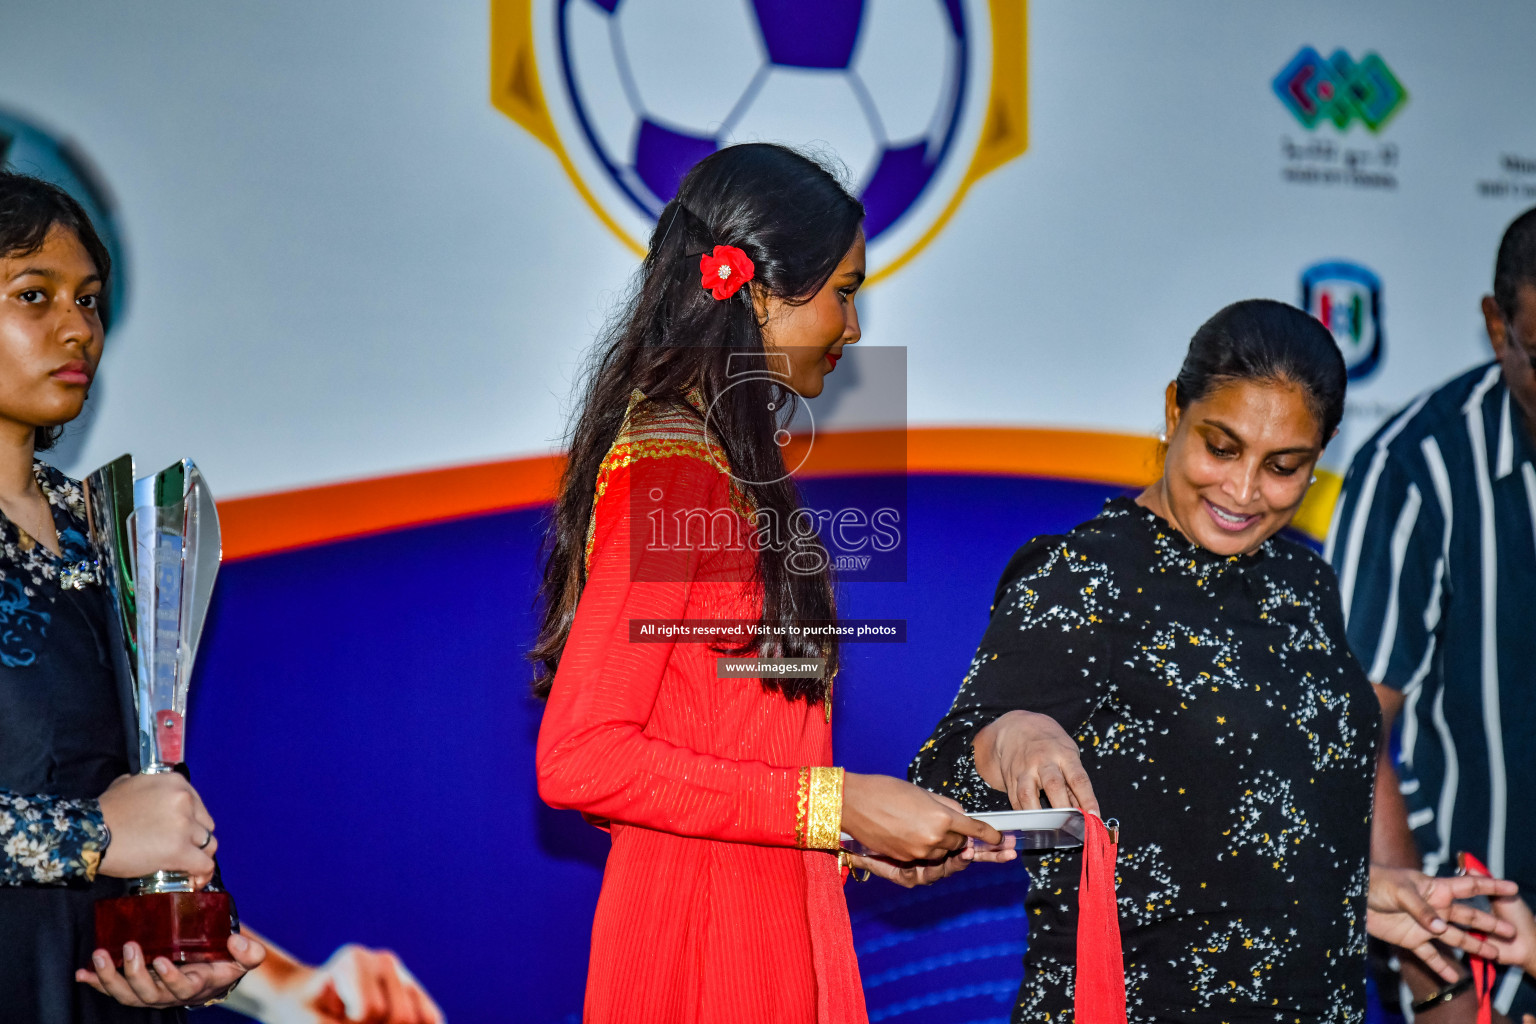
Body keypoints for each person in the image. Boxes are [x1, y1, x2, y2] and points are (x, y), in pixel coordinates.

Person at [910, 299, 1518, 1023]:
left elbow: (1266, 837)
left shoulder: (1307, 584)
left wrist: (1375, 901)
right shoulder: (1083, 575)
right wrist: (1011, 735)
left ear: (1318, 458)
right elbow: (939, 779)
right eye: (1221, 447)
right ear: (1174, 410)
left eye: (1283, 466)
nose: (1242, 490)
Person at [533, 143, 1010, 1024]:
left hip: (755, 921)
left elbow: (722, 748)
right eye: (845, 291)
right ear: (758, 291)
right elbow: (580, 757)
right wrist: (834, 802)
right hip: (703, 954)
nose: (855, 328)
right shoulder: (673, 471)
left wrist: (851, 836)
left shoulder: (718, 463)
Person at [0, 171, 441, 1024]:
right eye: (34, 294)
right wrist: (92, 837)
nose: (76, 327)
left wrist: (186, 946)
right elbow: (108, 821)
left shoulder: (99, 524)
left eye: (89, 299)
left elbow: (145, 782)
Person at [1327, 205, 1536, 1020]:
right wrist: (1439, 983)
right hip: (1484, 962)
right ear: (1496, 328)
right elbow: (1350, 736)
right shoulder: (1416, 469)